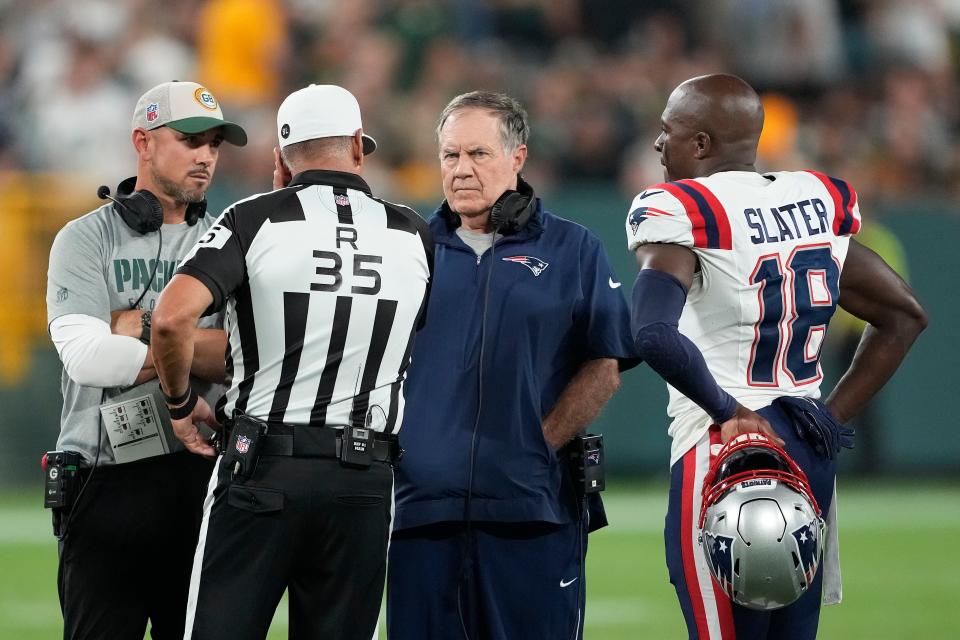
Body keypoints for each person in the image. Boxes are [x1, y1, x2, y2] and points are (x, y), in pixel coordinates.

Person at [625, 74, 928, 639]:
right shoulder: (815, 198)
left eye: (669, 130)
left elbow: (652, 335)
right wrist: (833, 418)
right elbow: (905, 315)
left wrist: (727, 410)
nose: (658, 143)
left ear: (701, 145)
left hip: (723, 446)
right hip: (805, 445)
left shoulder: (684, 207)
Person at [150, 84, 433, 640]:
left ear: (280, 158)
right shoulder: (412, 232)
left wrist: (182, 403)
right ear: (357, 147)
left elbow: (169, 319)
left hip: (264, 467)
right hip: (364, 475)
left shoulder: (252, 219)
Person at [388, 91, 638, 640]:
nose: (462, 170)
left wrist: (538, 442)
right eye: (450, 156)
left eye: (478, 154)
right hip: (419, 513)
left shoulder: (574, 248)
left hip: (533, 510)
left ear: (518, 158)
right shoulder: (406, 251)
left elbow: (606, 363)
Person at [44, 80, 247, 639]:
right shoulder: (84, 239)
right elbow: (87, 357)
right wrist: (186, 340)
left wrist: (143, 329)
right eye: (189, 140)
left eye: (213, 143)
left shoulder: (229, 240)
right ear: (144, 141)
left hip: (197, 471)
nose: (205, 155)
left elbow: (241, 356)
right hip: (102, 476)